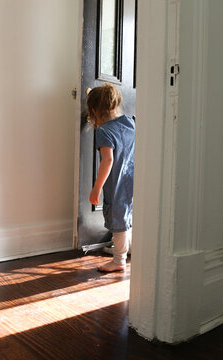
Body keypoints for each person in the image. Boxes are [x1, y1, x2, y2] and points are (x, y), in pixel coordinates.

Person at [86, 83, 135, 272]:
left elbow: (107, 160)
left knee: (119, 221)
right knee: (129, 217)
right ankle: (126, 249)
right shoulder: (130, 121)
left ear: (94, 111)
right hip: (132, 179)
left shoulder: (104, 131)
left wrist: (97, 187)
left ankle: (119, 260)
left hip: (117, 184)